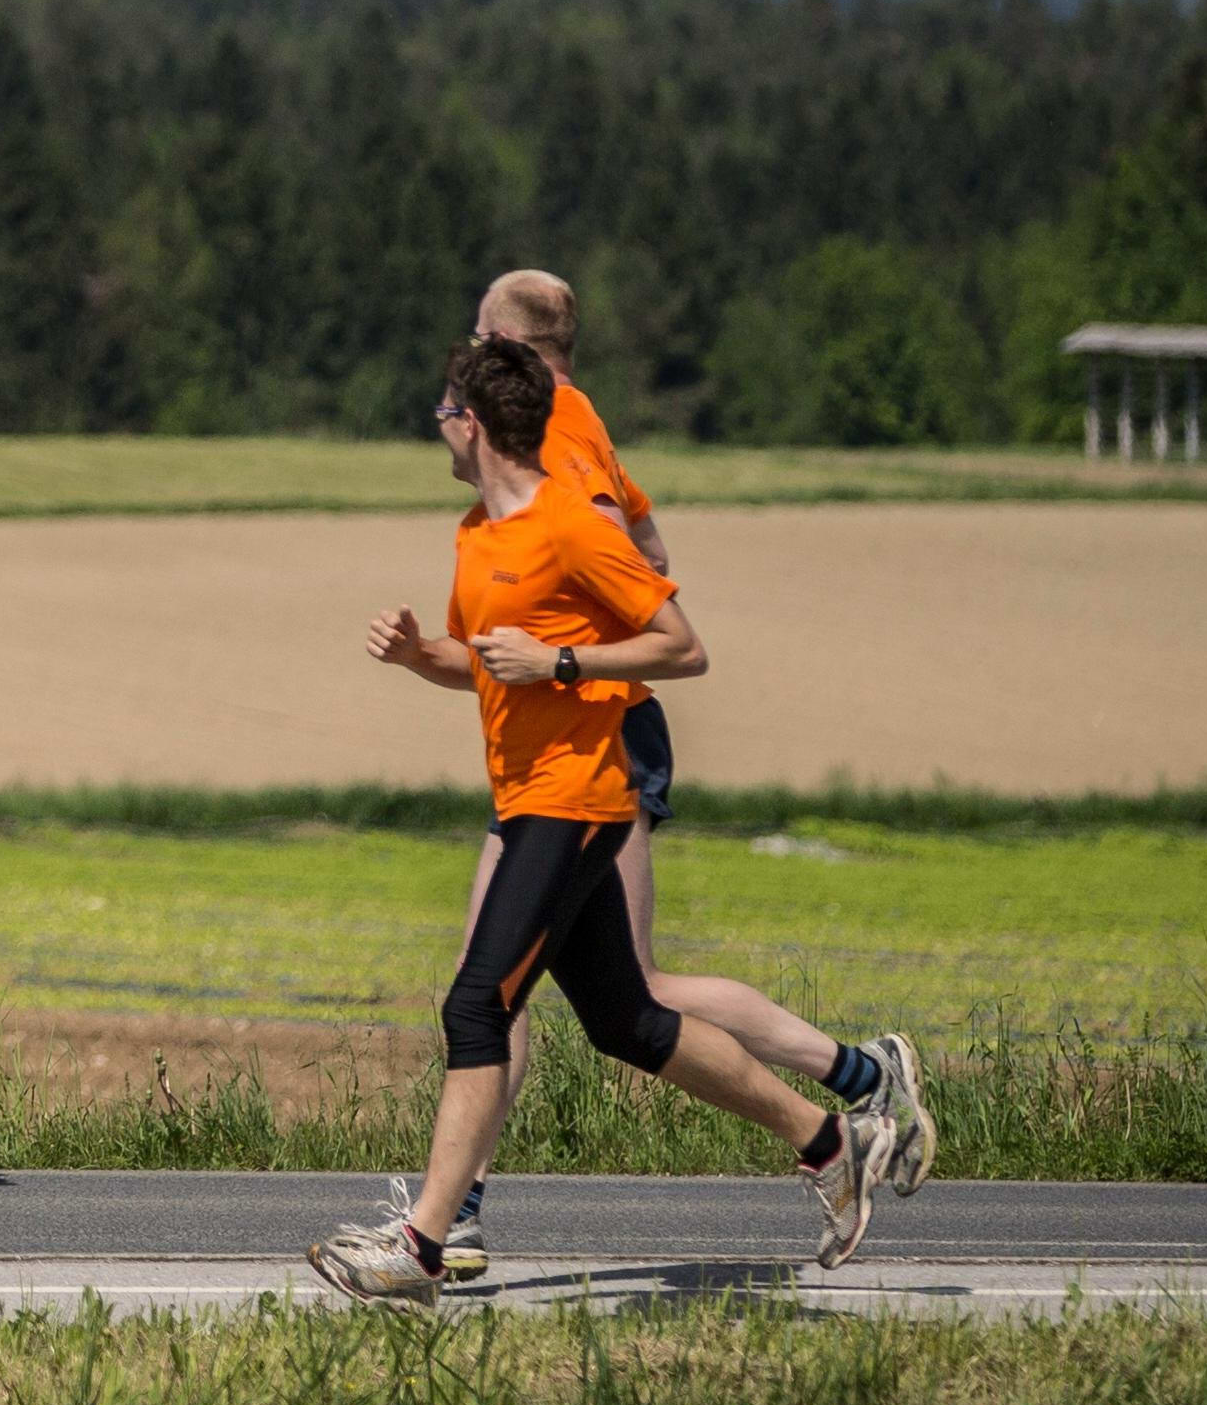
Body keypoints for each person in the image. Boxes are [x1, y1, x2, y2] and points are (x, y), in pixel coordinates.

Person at [307, 331, 919, 1303]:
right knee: (629, 1022)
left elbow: (682, 646)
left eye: (442, 408)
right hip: (523, 800)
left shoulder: (571, 526)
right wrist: (422, 654)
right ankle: (829, 1138)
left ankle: (421, 1248)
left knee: (477, 1004)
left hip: (579, 799)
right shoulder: (476, 533)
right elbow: (483, 659)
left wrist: (565, 666)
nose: (436, 422)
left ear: (474, 423)